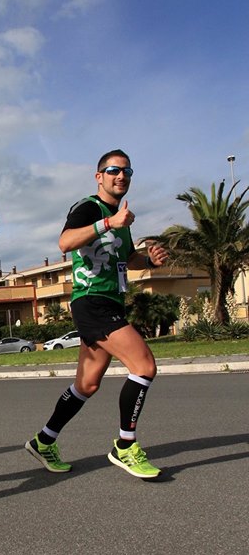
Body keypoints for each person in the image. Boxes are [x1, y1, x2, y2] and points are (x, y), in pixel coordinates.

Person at [25, 149, 169, 480]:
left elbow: (127, 258)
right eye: (114, 170)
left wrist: (149, 262)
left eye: (127, 171)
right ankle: (125, 446)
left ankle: (44, 440)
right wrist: (107, 222)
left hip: (110, 301)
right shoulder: (89, 208)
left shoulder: (122, 218)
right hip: (92, 301)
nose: (121, 176)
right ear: (99, 176)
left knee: (87, 385)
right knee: (144, 366)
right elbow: (65, 242)